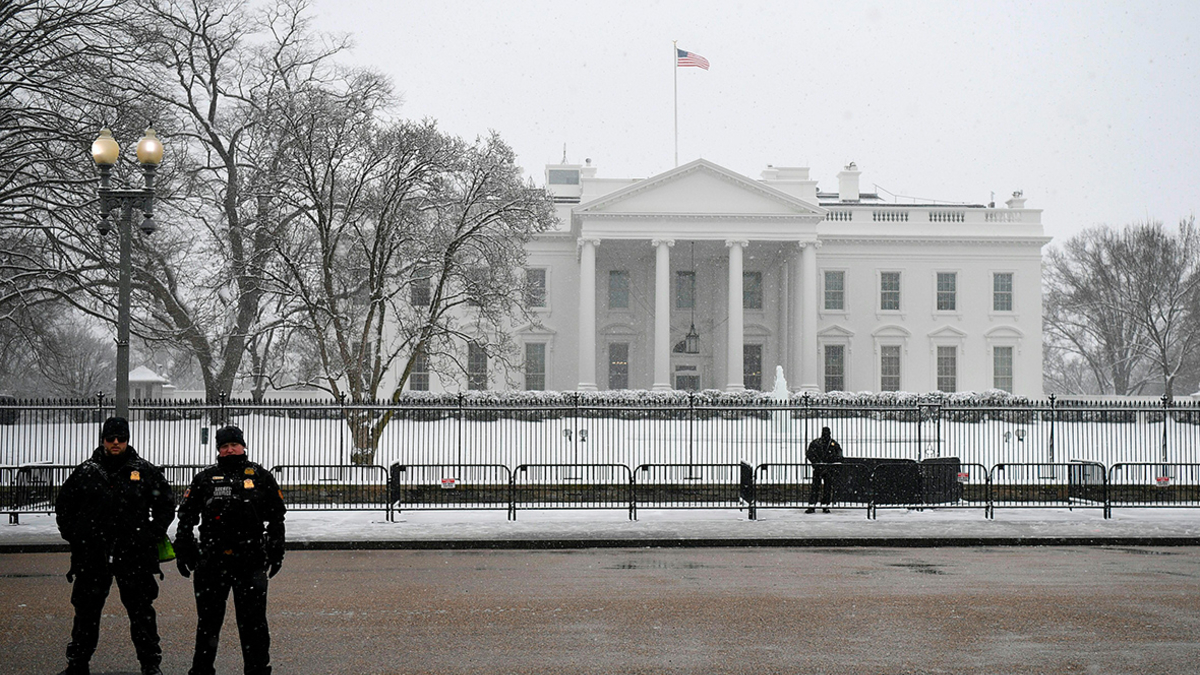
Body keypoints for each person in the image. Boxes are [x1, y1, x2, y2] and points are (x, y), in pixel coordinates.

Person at [55, 416, 174, 675]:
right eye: (111, 438)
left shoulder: (144, 471)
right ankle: (77, 664)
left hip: (134, 554)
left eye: (121, 438)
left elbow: (166, 505)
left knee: (141, 612)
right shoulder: (86, 471)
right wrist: (76, 536)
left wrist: (150, 534)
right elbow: (64, 506)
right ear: (103, 440)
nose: (116, 442)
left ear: (128, 439)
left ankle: (150, 664)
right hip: (92, 554)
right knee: (86, 612)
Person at [175, 425, 286, 675]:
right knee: (208, 623)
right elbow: (186, 516)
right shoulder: (205, 478)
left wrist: (277, 550)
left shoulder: (260, 476)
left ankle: (257, 669)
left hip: (250, 560)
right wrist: (184, 548)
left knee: (253, 624)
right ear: (218, 450)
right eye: (224, 446)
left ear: (243, 446)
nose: (229, 450)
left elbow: (277, 517)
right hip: (212, 561)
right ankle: (202, 669)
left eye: (234, 445)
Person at [805, 426, 843, 514]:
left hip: (827, 469)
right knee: (818, 487)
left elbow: (839, 456)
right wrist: (817, 463)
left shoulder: (830, 444)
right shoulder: (818, 443)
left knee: (825, 488)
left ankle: (821, 505)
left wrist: (829, 463)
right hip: (820, 468)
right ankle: (815, 505)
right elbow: (809, 454)